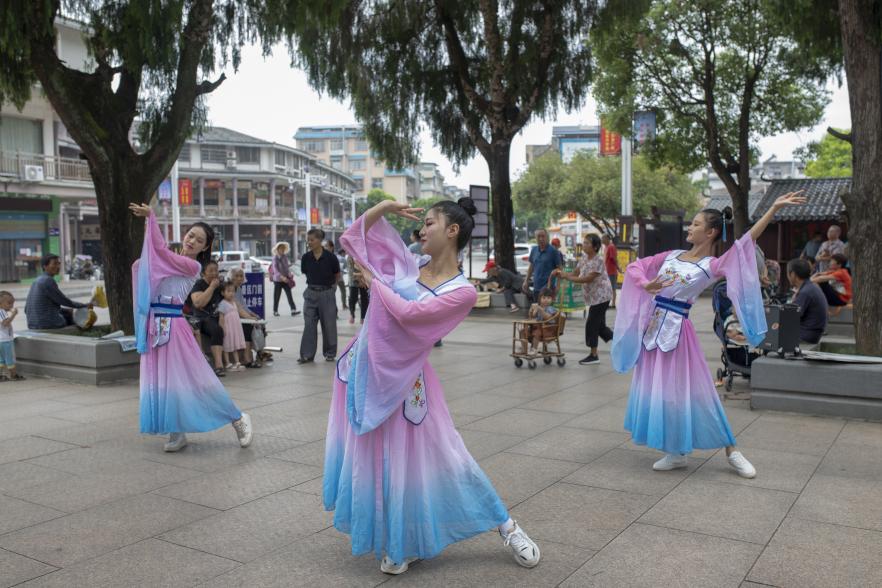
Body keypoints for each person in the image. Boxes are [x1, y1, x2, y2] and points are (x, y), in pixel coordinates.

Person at [325, 197, 541, 575]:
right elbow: (352, 238)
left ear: (452, 231)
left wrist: (376, 283)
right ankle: (399, 542)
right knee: (384, 461)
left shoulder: (462, 291)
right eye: (421, 224)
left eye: (429, 223)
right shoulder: (409, 263)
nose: (421, 230)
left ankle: (507, 526)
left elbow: (411, 315)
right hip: (369, 374)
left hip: (409, 385)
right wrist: (384, 208)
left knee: (449, 455)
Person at [611, 192, 806, 478]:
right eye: (691, 224)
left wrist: (774, 209)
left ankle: (732, 450)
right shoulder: (671, 256)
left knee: (697, 392)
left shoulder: (712, 265)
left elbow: (745, 243)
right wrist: (647, 284)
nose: (689, 228)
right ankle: (675, 452)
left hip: (678, 331)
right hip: (653, 331)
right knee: (662, 394)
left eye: (696, 224)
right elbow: (635, 267)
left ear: (711, 232)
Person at [129, 203, 252, 453]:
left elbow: (159, 252)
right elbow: (150, 265)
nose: (192, 240)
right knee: (164, 382)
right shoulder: (171, 262)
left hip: (173, 327)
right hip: (156, 327)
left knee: (197, 379)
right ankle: (177, 432)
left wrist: (151, 218)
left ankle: (237, 418)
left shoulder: (192, 267)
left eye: (199, 239)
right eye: (191, 235)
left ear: (205, 247)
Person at [556, 234, 614, 365]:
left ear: (595, 246)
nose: (584, 244)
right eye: (584, 242)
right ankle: (618, 340)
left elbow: (588, 278)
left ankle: (594, 355)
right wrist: (563, 274)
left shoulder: (598, 260)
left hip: (602, 296)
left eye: (587, 243)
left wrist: (568, 278)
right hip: (594, 297)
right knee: (599, 326)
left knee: (592, 324)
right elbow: (576, 272)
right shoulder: (584, 258)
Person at [299, 228, 340, 363]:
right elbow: (306, 272)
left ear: (320, 240)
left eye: (312, 240)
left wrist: (331, 290)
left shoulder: (330, 257)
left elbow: (337, 275)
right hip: (310, 293)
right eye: (308, 240)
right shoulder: (306, 258)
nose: (309, 242)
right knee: (309, 324)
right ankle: (306, 355)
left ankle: (330, 353)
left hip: (327, 293)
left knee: (329, 325)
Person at [24, 254, 92, 329]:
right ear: (45, 266)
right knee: (76, 322)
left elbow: (26, 309)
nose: (58, 266)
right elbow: (64, 301)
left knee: (67, 312)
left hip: (31, 324)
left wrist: (65, 310)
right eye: (54, 263)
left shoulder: (36, 281)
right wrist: (84, 305)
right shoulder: (48, 281)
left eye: (58, 263)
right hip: (45, 324)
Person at [186, 260, 227, 377]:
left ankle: (223, 364)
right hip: (201, 318)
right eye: (211, 271)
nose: (214, 273)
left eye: (216, 270)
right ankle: (219, 365)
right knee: (216, 329)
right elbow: (198, 303)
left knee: (222, 327)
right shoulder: (198, 284)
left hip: (217, 316)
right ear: (203, 273)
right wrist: (212, 287)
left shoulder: (220, 284)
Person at [227, 268, 263, 368]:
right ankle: (246, 359)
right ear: (231, 277)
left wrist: (253, 315)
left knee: (260, 324)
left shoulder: (238, 289)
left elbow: (243, 306)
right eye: (236, 276)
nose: (239, 278)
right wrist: (249, 318)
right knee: (248, 326)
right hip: (228, 317)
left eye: (241, 276)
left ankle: (259, 353)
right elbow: (237, 307)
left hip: (238, 316)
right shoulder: (229, 288)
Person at [786, 258, 828, 345]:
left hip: (806, 336)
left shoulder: (805, 292)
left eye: (788, 273)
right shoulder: (810, 287)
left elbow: (791, 317)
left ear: (793, 274)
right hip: (812, 334)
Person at [522, 229, 562, 302]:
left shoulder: (553, 251)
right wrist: (526, 280)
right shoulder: (534, 250)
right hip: (536, 286)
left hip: (548, 288)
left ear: (547, 237)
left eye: (543, 236)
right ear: (536, 238)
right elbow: (531, 267)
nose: (541, 239)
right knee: (537, 309)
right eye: (538, 236)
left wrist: (558, 286)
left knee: (547, 311)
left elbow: (559, 269)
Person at [218, 282, 247, 371]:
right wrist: (223, 328)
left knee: (234, 344)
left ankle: (237, 362)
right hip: (228, 327)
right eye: (228, 291)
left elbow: (240, 312)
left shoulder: (234, 302)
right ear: (223, 293)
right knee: (227, 344)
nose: (231, 293)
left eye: (233, 291)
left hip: (235, 327)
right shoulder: (223, 303)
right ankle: (227, 363)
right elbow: (221, 318)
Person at [525, 287, 559, 355]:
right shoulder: (539, 307)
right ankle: (524, 349)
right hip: (539, 328)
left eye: (548, 298)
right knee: (523, 331)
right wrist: (531, 310)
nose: (546, 300)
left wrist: (540, 309)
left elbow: (548, 317)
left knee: (536, 332)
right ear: (540, 299)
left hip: (548, 329)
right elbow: (532, 316)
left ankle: (534, 349)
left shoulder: (551, 308)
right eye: (544, 298)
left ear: (552, 300)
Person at [0, 291, 24, 381]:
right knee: (10, 358)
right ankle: (13, 375)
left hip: (1, 340)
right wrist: (13, 314)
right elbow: (5, 323)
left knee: (1, 359)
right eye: (9, 303)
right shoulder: (2, 312)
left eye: (13, 303)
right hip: (5, 340)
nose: (11, 306)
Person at [271, 242, 300, 317]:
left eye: (284, 248)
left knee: (289, 294)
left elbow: (286, 267)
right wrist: (282, 277)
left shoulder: (285, 257)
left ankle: (293, 310)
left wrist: (289, 274)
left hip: (286, 279)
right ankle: (275, 311)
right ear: (278, 249)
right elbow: (275, 270)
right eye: (281, 248)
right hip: (278, 280)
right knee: (277, 296)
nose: (283, 250)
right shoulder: (275, 258)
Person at [346, 252, 369, 324]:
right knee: (352, 298)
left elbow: (367, 267)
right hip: (353, 279)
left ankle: (363, 317)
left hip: (364, 279)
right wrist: (358, 280)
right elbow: (350, 270)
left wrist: (363, 280)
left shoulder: (364, 253)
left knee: (364, 298)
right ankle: (352, 314)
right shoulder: (350, 255)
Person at [326, 241, 348, 315]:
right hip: (335, 278)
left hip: (336, 278)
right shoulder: (339, 258)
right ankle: (342, 306)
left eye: (327, 246)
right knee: (340, 292)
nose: (325, 248)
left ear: (332, 247)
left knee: (332, 295)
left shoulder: (332, 257)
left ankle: (335, 312)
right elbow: (344, 267)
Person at [601, 234, 622, 307]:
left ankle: (613, 304)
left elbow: (614, 259)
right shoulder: (606, 247)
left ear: (607, 238)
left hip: (611, 271)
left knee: (612, 288)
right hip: (607, 271)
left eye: (603, 238)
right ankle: (608, 303)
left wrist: (618, 268)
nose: (601, 240)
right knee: (607, 288)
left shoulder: (611, 247)